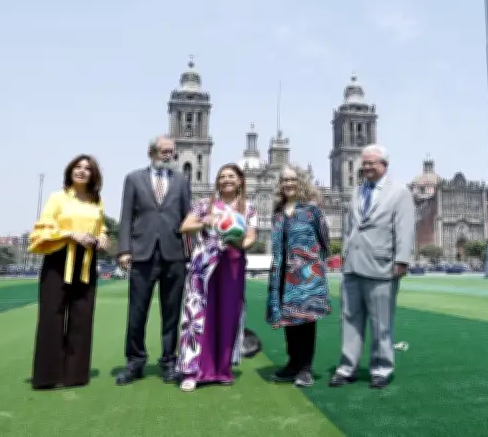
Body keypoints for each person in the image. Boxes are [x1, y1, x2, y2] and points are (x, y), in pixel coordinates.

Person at [329, 144, 415, 389]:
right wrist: (345, 252)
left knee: (381, 321)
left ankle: (381, 368)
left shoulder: (399, 192)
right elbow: (349, 226)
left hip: (382, 266)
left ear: (384, 165)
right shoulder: (358, 191)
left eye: (371, 163)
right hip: (353, 266)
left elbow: (405, 229)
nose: (365, 167)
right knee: (349, 319)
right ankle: (347, 368)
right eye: (364, 163)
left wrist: (401, 260)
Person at [28, 154, 111, 390]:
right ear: (70, 171)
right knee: (51, 316)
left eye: (87, 168)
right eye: (78, 167)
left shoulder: (96, 201)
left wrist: (103, 237)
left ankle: (75, 375)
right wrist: (70, 234)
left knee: (82, 317)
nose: (82, 171)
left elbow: (100, 226)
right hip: (58, 259)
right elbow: (43, 227)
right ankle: (47, 376)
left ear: (93, 175)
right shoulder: (57, 198)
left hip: (86, 262)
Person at [115, 136, 192, 386]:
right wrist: (124, 250)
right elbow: (126, 216)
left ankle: (169, 361)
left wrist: (191, 254)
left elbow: (187, 218)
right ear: (151, 152)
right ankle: (135, 361)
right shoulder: (134, 179)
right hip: (142, 253)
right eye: (163, 151)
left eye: (171, 152)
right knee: (137, 311)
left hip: (174, 254)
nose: (168, 155)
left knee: (171, 313)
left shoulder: (181, 181)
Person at [176, 163, 258, 392]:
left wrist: (239, 241)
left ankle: (222, 370)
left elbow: (250, 237)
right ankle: (192, 371)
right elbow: (185, 226)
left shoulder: (248, 208)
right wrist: (206, 221)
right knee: (198, 315)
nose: (226, 180)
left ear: (240, 181)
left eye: (231, 176)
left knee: (227, 316)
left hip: (232, 265)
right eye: (222, 177)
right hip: (204, 266)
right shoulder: (205, 204)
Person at [265, 165, 331, 388]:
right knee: (289, 319)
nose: (288, 184)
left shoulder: (312, 210)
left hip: (306, 274)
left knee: (305, 320)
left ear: (300, 181)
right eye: (284, 180)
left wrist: (311, 265)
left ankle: (305, 368)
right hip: (282, 273)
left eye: (292, 179)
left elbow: (325, 241)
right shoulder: (279, 212)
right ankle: (293, 363)